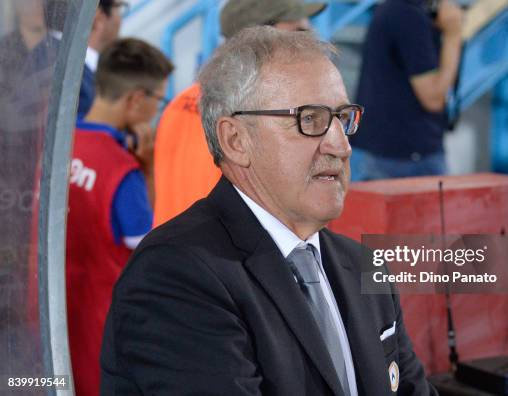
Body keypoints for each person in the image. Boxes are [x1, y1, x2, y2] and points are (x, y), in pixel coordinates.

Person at [101, 27, 436, 395]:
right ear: (235, 140)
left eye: (342, 118)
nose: (341, 146)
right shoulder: (174, 275)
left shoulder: (363, 266)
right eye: (310, 119)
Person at [153, 0, 326, 226]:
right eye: (299, 32)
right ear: (259, 38)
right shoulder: (260, 116)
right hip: (217, 252)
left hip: (176, 247)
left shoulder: (181, 101)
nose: (311, 37)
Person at [66, 38, 173, 396]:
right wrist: (148, 171)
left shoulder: (61, 144)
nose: (157, 110)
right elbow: (151, 253)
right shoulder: (121, 171)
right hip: (98, 336)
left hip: (50, 322)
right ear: (137, 99)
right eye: (159, 100)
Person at [350, 0, 464, 180]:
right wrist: (453, 34)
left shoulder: (395, 9)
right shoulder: (408, 15)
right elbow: (433, 99)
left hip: (386, 151)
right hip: (405, 158)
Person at [77, 0, 126, 118]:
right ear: (98, 16)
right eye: (118, 9)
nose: (121, 20)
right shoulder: (76, 80)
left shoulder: (86, 71)